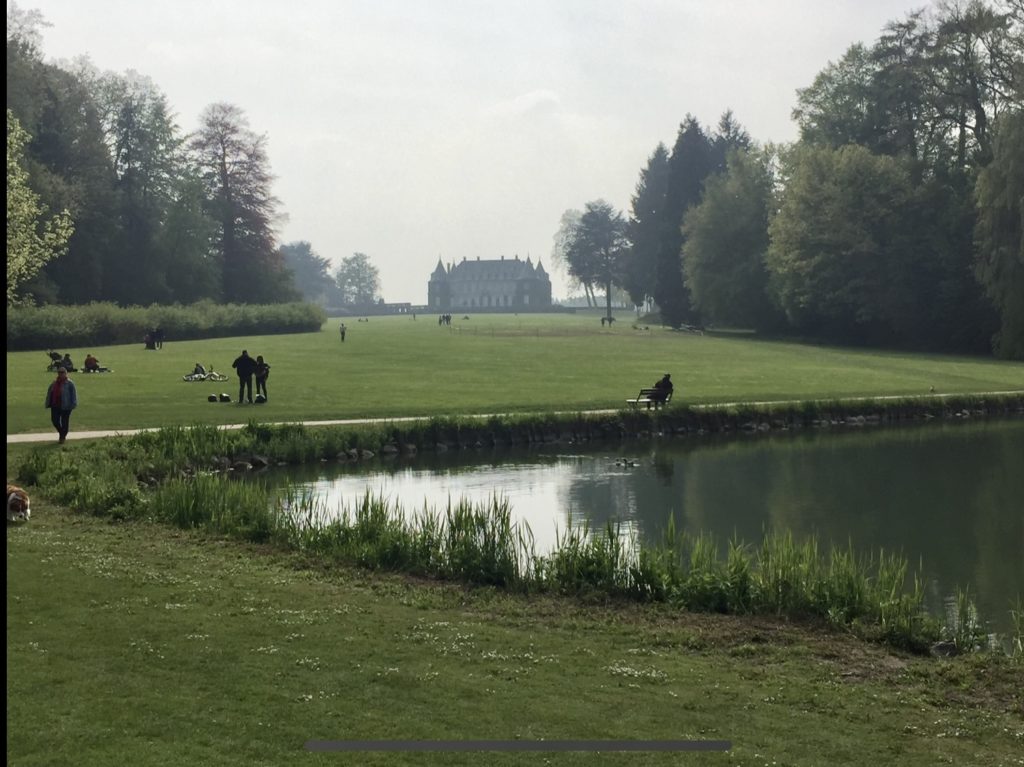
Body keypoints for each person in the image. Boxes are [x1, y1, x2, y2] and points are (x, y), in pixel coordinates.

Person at [44, 367, 78, 444]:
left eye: (62, 372)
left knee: (64, 422)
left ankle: (62, 437)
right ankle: (62, 433)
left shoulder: (70, 383)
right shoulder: (54, 383)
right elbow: (50, 393)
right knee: (54, 420)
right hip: (55, 405)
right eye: (59, 372)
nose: (61, 374)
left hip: (66, 406)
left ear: (66, 373)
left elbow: (74, 394)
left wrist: (73, 404)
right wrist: (48, 402)